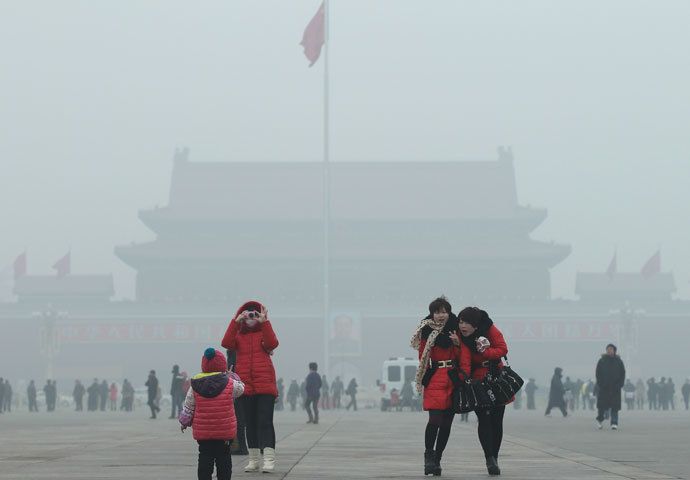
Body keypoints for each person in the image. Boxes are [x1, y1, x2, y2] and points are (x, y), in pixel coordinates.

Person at [411, 296, 470, 477]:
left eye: (444, 311)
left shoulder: (456, 329)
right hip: (435, 377)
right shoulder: (426, 330)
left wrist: (457, 343)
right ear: (432, 313)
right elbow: (423, 356)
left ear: (449, 312)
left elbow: (462, 356)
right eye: (437, 312)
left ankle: (437, 460)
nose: (441, 315)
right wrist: (422, 377)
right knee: (434, 420)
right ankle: (429, 457)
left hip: (452, 378)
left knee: (446, 424)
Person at [221, 301, 279, 473]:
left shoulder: (263, 332)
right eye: (248, 314)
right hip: (246, 386)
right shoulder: (238, 337)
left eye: (255, 314)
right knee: (250, 424)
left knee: (265, 422)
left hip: (265, 385)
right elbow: (226, 342)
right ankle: (254, 460)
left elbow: (272, 344)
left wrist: (265, 322)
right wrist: (235, 321)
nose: (252, 317)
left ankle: (268, 459)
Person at [459, 306, 511, 476]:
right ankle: (489, 458)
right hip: (478, 381)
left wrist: (486, 352)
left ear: (475, 325)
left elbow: (503, 349)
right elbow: (465, 362)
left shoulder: (490, 329)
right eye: (460, 322)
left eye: (466, 322)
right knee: (484, 420)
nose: (462, 326)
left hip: (496, 378)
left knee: (497, 421)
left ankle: (495, 457)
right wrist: (465, 380)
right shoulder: (464, 339)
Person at [179, 348, 245, 480]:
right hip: (224, 433)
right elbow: (241, 389)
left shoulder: (195, 385)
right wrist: (231, 375)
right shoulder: (230, 383)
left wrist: (185, 422)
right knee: (224, 458)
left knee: (204, 457)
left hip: (204, 434)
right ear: (223, 366)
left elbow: (189, 405)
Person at [595, 343, 625, 430]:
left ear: (614, 350)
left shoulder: (619, 361)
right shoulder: (602, 361)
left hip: (615, 388)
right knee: (601, 406)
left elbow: (623, 373)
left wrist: (620, 384)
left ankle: (614, 422)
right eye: (608, 349)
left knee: (614, 406)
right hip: (604, 388)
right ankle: (600, 420)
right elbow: (598, 373)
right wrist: (601, 384)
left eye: (611, 349)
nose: (609, 350)